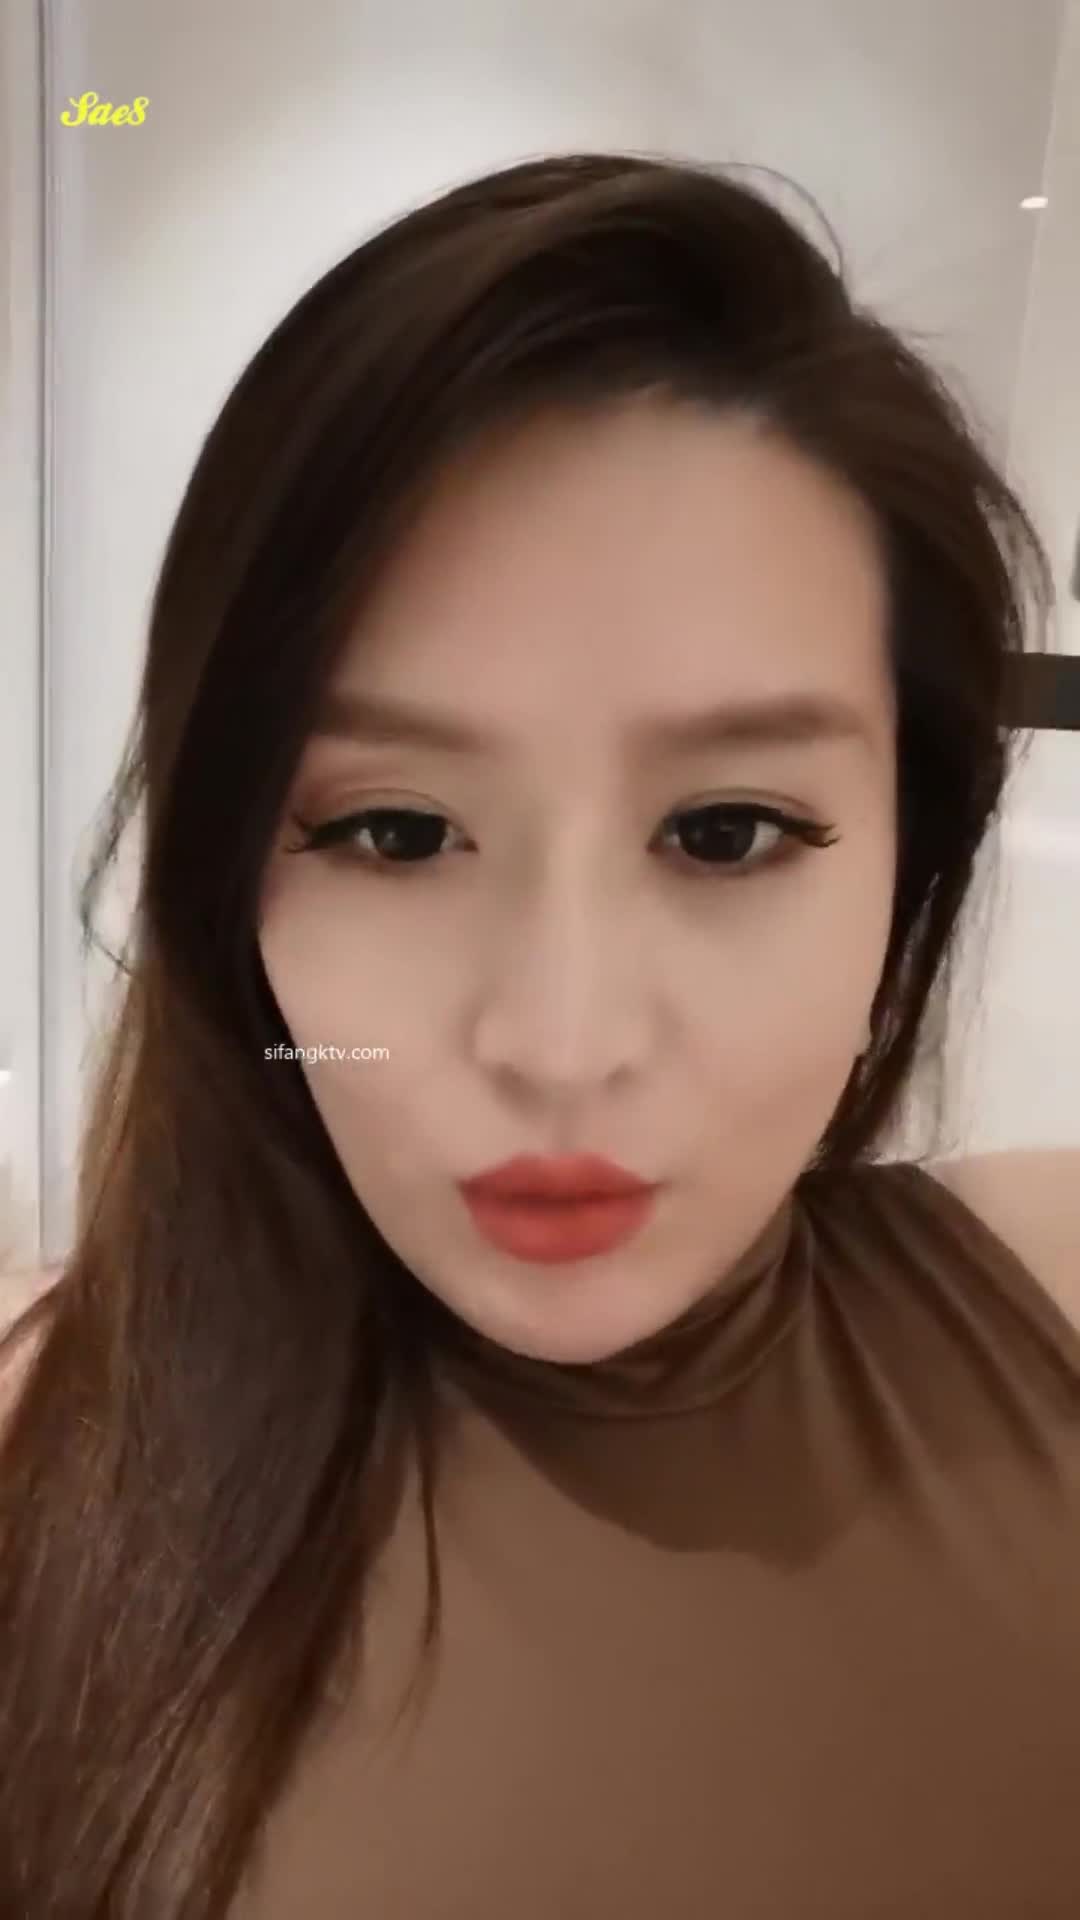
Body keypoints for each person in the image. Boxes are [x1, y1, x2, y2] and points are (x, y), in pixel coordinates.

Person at [1, 150, 1078, 1920]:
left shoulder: (1051, 1298)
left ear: (914, 862)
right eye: (395, 831)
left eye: (725, 831)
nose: (563, 1044)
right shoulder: (44, 1456)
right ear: (228, 887)